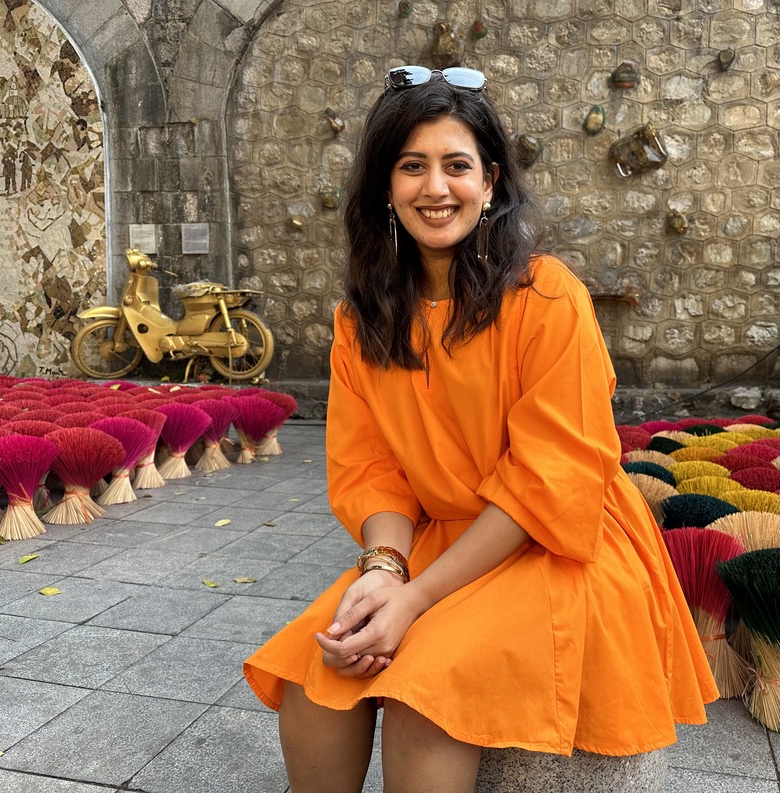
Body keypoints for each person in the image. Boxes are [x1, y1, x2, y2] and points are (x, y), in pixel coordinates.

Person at [244, 66, 717, 793]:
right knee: (315, 675)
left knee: (423, 693)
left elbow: (548, 479)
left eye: (456, 165)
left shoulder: (546, 295)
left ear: (490, 182)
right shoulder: (360, 319)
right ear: (385, 188)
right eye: (412, 167)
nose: (436, 188)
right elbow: (369, 467)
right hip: (435, 538)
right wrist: (383, 571)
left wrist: (417, 600)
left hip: (554, 541)